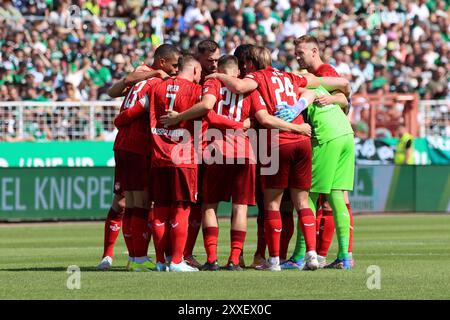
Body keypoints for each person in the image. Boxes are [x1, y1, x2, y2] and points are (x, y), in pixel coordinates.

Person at [200, 46, 345, 270]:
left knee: (271, 204)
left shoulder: (254, 78)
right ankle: (312, 255)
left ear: (248, 64)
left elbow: (248, 98)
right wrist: (299, 107)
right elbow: (317, 88)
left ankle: (273, 259)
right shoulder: (288, 76)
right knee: (302, 203)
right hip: (303, 141)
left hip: (275, 144)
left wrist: (218, 75)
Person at [97, 44, 180, 271]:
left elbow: (114, 92)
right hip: (138, 145)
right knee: (139, 202)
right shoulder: (154, 81)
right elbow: (123, 100)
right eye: (174, 65)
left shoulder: (141, 74)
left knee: (128, 201)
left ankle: (134, 258)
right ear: (162, 62)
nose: (175, 70)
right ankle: (138, 258)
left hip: (123, 146)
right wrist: (121, 119)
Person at [280, 34, 355, 269]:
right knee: (336, 196)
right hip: (346, 134)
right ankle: (345, 257)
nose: (296, 56)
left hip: (327, 135)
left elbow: (335, 90)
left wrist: (296, 107)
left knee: (307, 196)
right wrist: (333, 99)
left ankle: (302, 255)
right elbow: (344, 92)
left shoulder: (311, 74)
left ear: (314, 51)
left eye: (300, 52)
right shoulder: (318, 75)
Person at [149, 55, 203, 272]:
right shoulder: (195, 91)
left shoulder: (158, 88)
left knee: (160, 208)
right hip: (183, 156)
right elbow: (207, 111)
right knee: (182, 208)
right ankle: (177, 260)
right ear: (195, 70)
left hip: (159, 154)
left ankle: (161, 261)